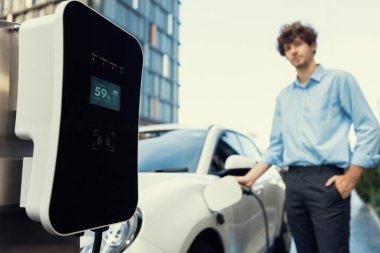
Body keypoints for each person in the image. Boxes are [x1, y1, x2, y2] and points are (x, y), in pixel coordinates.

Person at [237, 21, 380, 253]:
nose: (293, 51)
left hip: (327, 181)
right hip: (293, 184)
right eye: (287, 48)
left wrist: (352, 177)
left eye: (298, 44)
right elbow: (276, 146)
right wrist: (250, 177)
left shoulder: (339, 81)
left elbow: (369, 127)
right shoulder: (284, 97)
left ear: (313, 45)